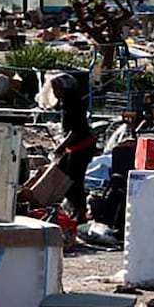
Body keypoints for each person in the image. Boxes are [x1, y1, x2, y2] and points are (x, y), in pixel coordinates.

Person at [50, 74, 96, 225]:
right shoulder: (66, 102)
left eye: (57, 89)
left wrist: (61, 146)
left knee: (74, 182)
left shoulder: (73, 103)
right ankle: (73, 209)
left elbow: (75, 130)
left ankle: (80, 213)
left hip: (82, 146)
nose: (55, 92)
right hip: (75, 146)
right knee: (64, 177)